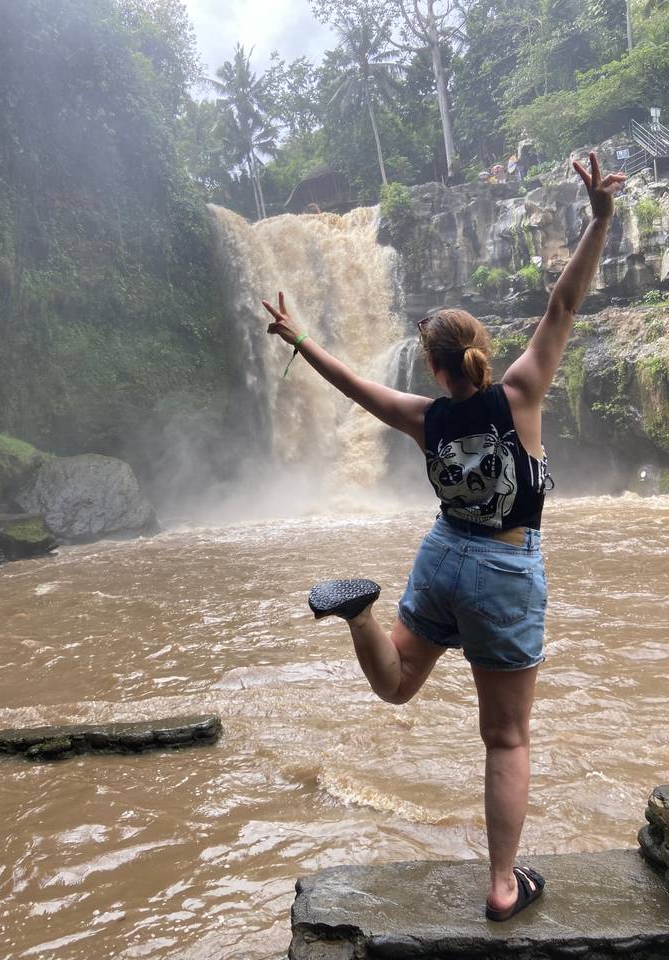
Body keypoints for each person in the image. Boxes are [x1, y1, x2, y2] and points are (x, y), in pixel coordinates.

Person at [261, 152, 624, 922]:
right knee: (505, 738)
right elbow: (562, 306)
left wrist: (298, 337)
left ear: (431, 367)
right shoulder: (521, 391)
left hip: (441, 557)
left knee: (397, 684)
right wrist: (597, 220)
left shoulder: (425, 418)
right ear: (480, 351)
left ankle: (360, 615)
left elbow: (354, 387)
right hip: (504, 570)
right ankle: (501, 885)